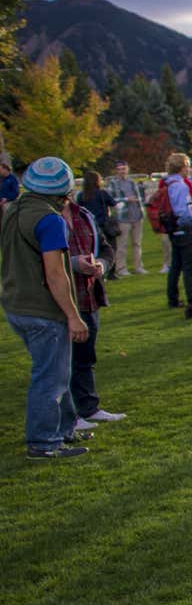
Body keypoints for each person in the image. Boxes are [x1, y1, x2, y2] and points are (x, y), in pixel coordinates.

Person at [1, 156, 91, 458]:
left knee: (57, 371)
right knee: (49, 378)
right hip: (42, 309)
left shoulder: (13, 210)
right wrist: (73, 316)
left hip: (16, 304)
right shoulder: (50, 219)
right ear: (62, 192)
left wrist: (75, 263)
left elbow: (26, 257)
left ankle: (64, 428)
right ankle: (43, 443)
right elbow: (54, 273)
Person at [65, 196, 123, 431]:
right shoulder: (46, 218)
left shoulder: (84, 216)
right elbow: (40, 261)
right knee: (64, 358)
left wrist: (101, 264)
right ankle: (69, 415)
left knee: (86, 354)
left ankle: (89, 407)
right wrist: (73, 264)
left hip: (89, 295)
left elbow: (106, 248)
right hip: (63, 297)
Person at [162, 153, 192, 308]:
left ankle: (173, 298)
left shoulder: (168, 183)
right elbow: (182, 210)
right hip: (184, 228)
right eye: (187, 165)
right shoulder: (180, 185)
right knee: (189, 266)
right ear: (182, 167)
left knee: (176, 265)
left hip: (174, 229)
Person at [106, 160, 147, 276]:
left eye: (123, 169)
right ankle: (121, 269)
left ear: (127, 169)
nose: (121, 172)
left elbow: (140, 198)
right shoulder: (113, 184)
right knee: (122, 245)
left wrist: (141, 209)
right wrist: (126, 199)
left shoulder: (132, 183)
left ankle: (138, 267)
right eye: (119, 170)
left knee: (137, 244)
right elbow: (112, 200)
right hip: (123, 218)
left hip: (137, 216)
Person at [75, 170, 117, 274]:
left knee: (93, 249)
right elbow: (113, 203)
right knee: (109, 248)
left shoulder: (81, 195)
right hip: (103, 224)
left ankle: (91, 267)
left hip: (88, 226)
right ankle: (110, 271)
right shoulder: (102, 193)